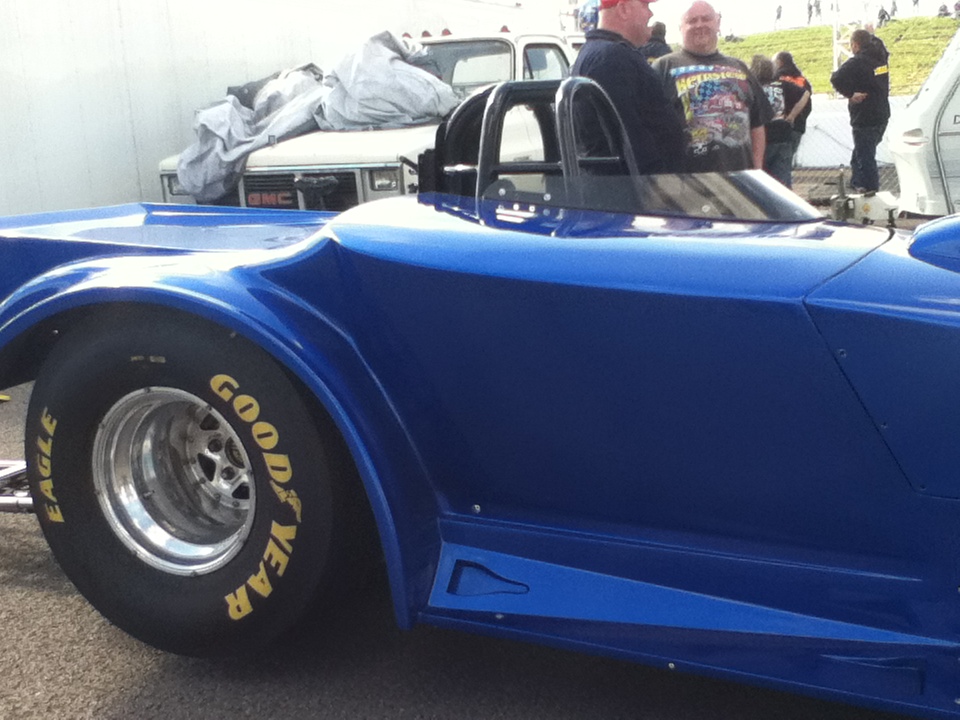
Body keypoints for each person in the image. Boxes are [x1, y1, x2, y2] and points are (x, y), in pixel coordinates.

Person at [653, 1, 772, 173]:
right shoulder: (663, 67)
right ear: (680, 27)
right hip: (686, 181)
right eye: (692, 21)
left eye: (706, 19)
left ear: (718, 23)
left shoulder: (739, 67)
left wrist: (757, 168)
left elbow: (757, 124)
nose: (699, 25)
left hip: (738, 180)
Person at [572, 0, 685, 174]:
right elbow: (630, 140)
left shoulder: (596, 53)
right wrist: (657, 182)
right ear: (623, 9)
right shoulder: (611, 58)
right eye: (645, 5)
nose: (650, 14)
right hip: (631, 185)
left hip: (615, 183)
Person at [830, 28, 890, 192]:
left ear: (855, 45)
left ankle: (869, 190)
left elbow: (836, 78)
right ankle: (857, 182)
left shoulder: (857, 62)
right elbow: (879, 44)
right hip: (882, 113)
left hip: (864, 116)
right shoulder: (881, 58)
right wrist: (871, 34)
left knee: (865, 157)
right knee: (862, 153)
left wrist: (850, 94)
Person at [750, 55, 807, 187]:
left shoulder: (753, 87)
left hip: (763, 133)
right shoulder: (781, 84)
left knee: (761, 178)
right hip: (783, 131)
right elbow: (805, 94)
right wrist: (792, 116)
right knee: (783, 177)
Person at [773, 51, 813, 166]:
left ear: (779, 62)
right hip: (798, 125)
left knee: (777, 162)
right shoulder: (802, 80)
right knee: (789, 158)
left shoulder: (776, 78)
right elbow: (807, 103)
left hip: (778, 125)